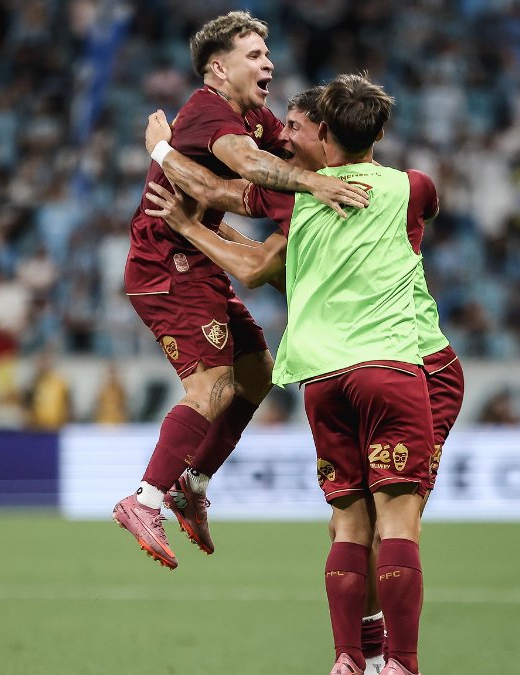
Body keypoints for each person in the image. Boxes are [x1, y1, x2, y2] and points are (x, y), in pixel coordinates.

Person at [146, 75, 454, 675]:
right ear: (381, 133)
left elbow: (216, 190)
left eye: (295, 128)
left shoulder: (295, 196)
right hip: (396, 363)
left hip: (321, 374)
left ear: (324, 134)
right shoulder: (413, 187)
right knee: (397, 519)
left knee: (348, 521)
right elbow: (420, 211)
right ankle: (401, 664)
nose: (283, 138)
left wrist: (161, 151)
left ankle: (347, 658)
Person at [113, 10, 370, 569]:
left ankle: (193, 483)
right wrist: (314, 184)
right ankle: (145, 500)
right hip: (166, 266)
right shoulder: (208, 112)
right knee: (211, 384)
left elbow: (290, 153)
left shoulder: (255, 117)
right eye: (254, 55)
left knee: (257, 373)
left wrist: (354, 164)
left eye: (267, 54)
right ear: (216, 68)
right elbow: (250, 167)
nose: (268, 64)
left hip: (196, 258)